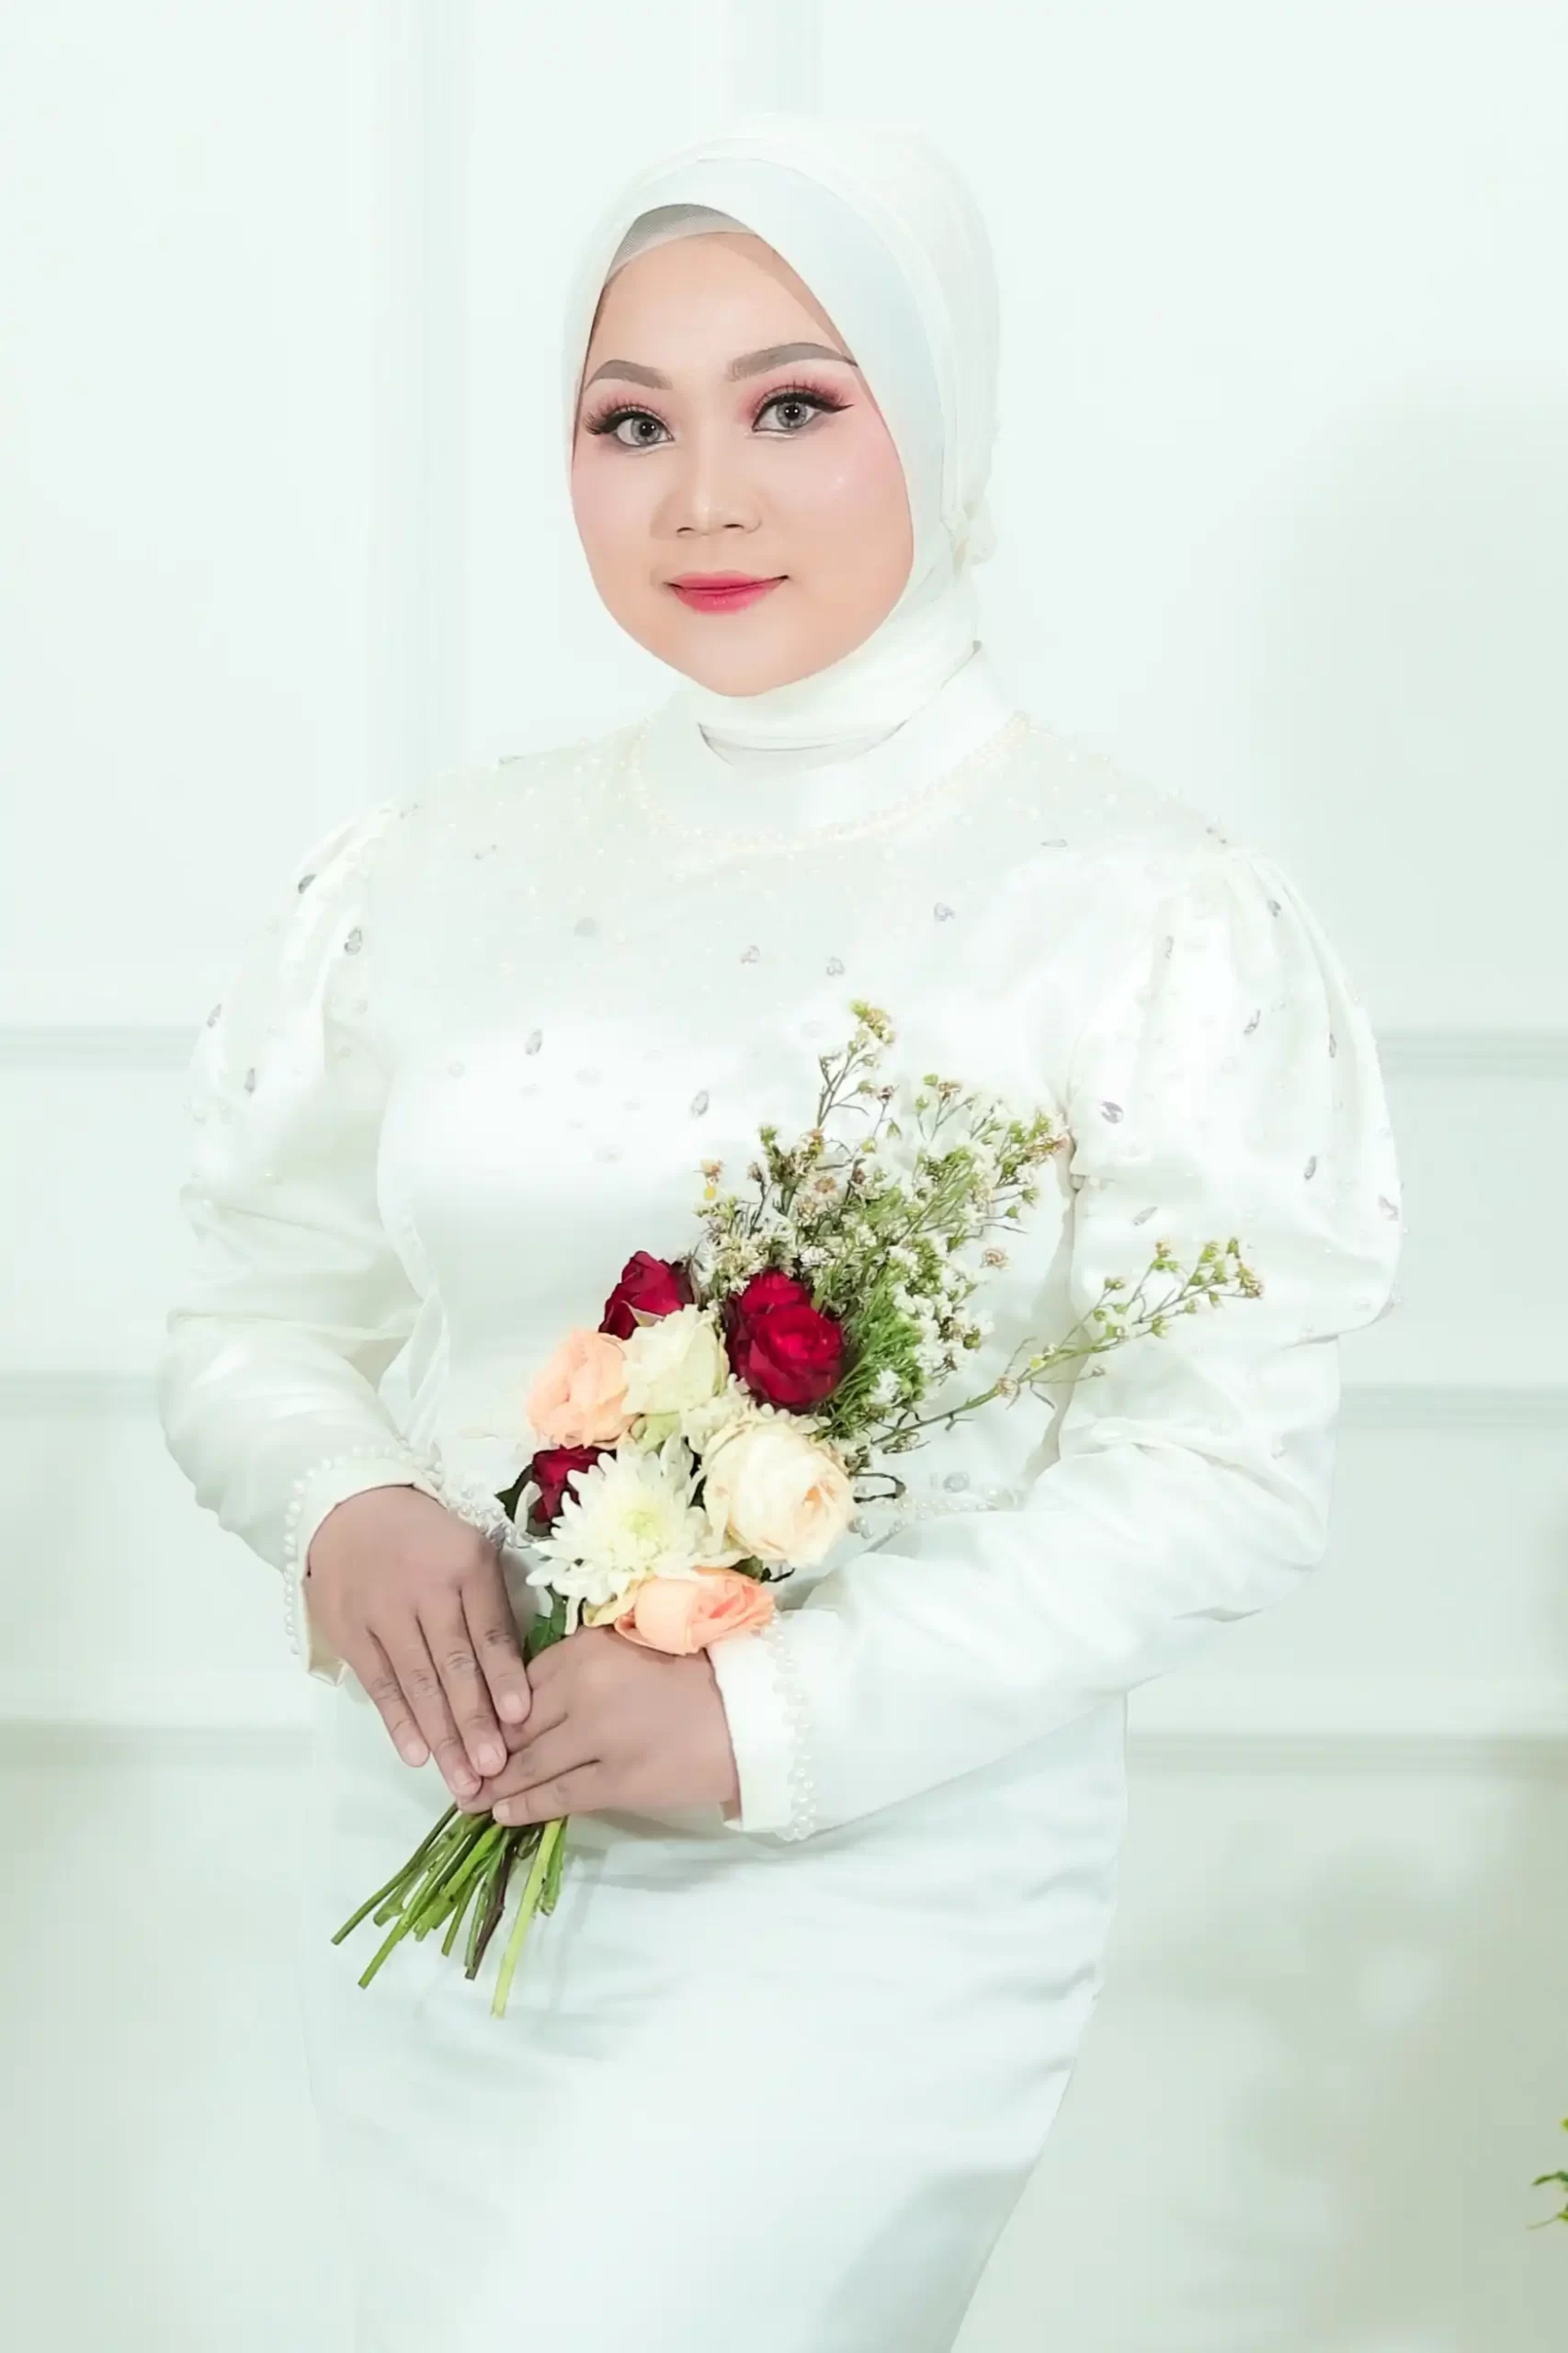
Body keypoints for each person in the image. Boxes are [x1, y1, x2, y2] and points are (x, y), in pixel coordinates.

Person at [154, 112, 1404, 2353]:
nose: (703, 499)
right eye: (630, 422)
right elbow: (262, 1301)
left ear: (937, 407)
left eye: (795, 406)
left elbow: (1218, 1466)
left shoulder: (1134, 910)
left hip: (860, 1884)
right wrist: (339, 1497)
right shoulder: (432, 871)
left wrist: (766, 1709)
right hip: (449, 1849)